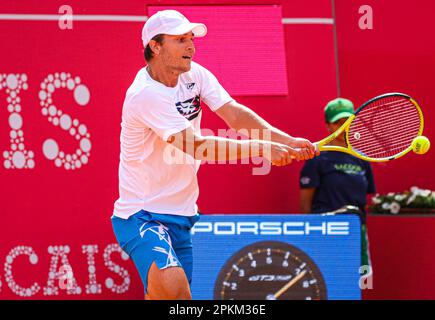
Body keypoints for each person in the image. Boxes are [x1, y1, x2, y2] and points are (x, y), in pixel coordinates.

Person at [111, 9, 318, 300]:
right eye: (180, 39)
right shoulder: (145, 94)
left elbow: (234, 114)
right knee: (175, 294)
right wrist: (262, 148)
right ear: (154, 46)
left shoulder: (195, 75)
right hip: (142, 214)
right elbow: (197, 146)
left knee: (163, 298)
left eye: (191, 38)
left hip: (184, 212)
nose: (191, 46)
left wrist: (286, 140)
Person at [299, 98, 376, 269]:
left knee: (357, 283)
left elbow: (365, 199)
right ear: (328, 125)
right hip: (324, 230)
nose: (342, 128)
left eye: (347, 122)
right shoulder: (317, 159)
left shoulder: (362, 158)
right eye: (337, 123)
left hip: (356, 231)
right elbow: (305, 205)